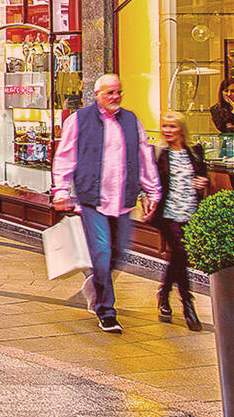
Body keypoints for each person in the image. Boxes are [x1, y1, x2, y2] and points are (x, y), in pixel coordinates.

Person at [51, 74, 160, 334]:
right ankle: (106, 311)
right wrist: (61, 190)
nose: (115, 97)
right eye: (110, 92)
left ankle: (94, 286)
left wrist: (152, 191)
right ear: (97, 94)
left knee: (118, 255)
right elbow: (65, 156)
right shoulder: (78, 120)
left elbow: (145, 156)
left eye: (118, 92)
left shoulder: (132, 121)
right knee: (101, 253)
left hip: (123, 200)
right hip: (92, 200)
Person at [150, 111, 208, 330]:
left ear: (182, 130)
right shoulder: (159, 154)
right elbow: (152, 183)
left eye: (172, 127)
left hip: (191, 212)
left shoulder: (195, 152)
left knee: (178, 256)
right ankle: (188, 304)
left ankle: (164, 292)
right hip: (168, 214)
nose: (168, 131)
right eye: (164, 126)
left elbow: (203, 177)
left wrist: (202, 182)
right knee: (181, 252)